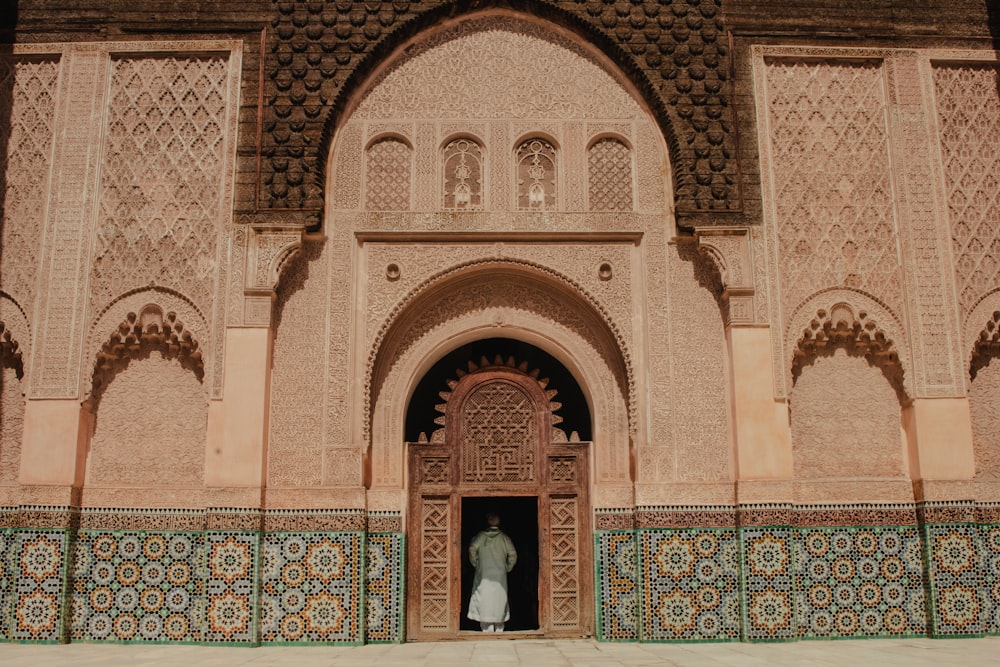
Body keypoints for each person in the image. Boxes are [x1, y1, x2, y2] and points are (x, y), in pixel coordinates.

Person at [467, 512, 517, 632]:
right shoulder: (505, 538)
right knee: (499, 599)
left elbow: (472, 548)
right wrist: (507, 567)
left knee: (484, 598)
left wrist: (476, 563)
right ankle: (499, 628)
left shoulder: (480, 536)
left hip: (483, 572)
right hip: (500, 574)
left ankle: (486, 629)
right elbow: (513, 554)